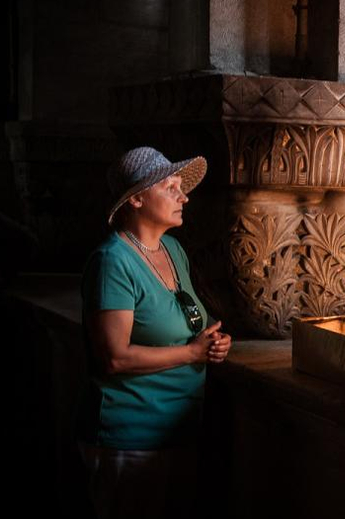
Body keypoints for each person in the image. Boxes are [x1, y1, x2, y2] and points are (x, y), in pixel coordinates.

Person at [76, 146, 231, 519]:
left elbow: (184, 322)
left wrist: (213, 343)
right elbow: (114, 356)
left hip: (179, 432)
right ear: (137, 199)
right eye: (171, 187)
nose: (184, 196)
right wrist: (191, 354)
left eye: (182, 186)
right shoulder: (114, 261)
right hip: (130, 439)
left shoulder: (173, 250)